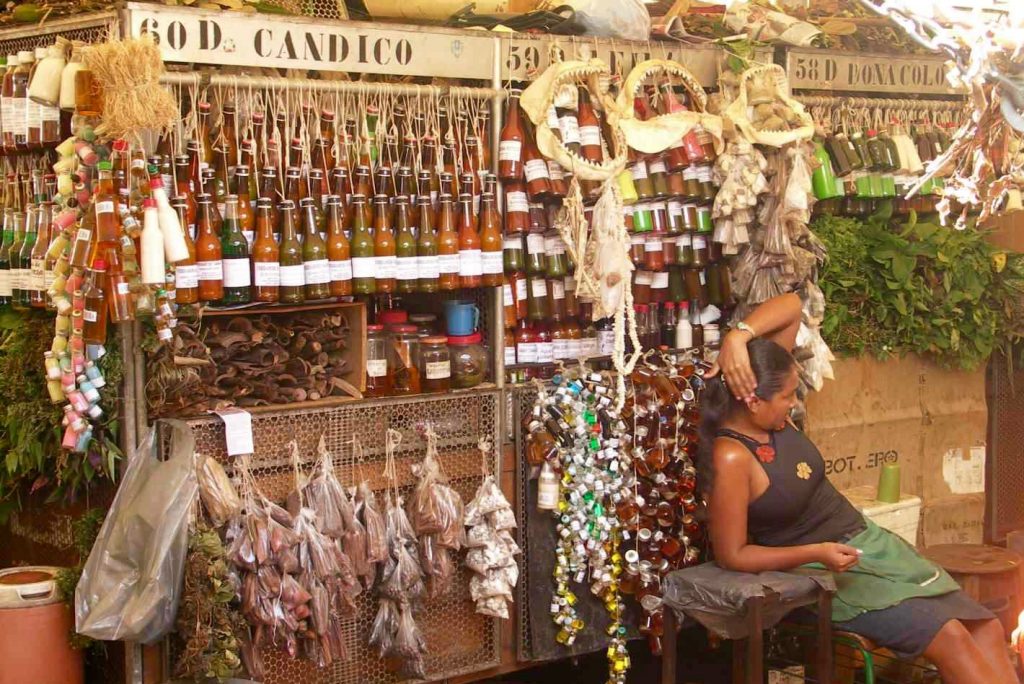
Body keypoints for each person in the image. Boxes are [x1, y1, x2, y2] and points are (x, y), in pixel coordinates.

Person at [699, 292, 1017, 684]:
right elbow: (733, 555)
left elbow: (792, 306)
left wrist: (737, 337)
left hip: (868, 547)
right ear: (751, 400)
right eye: (785, 398)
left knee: (984, 627)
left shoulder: (774, 415)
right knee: (950, 635)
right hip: (820, 568)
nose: (793, 403)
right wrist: (817, 552)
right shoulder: (733, 456)